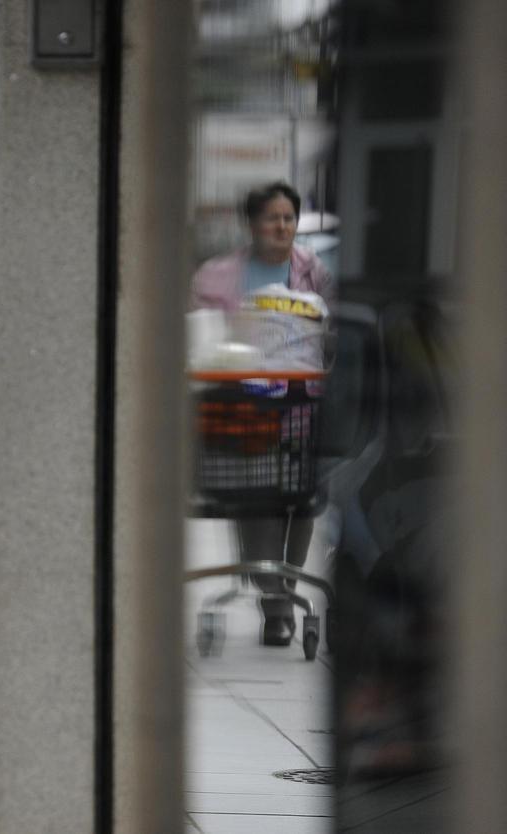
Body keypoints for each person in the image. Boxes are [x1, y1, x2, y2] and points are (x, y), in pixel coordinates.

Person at [190, 181, 335, 647]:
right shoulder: (216, 277)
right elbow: (200, 341)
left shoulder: (314, 273)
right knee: (256, 497)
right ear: (251, 224)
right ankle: (276, 600)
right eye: (272, 218)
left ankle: (280, 597)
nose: (282, 226)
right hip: (243, 414)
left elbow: (333, 334)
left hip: (300, 411)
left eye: (289, 218)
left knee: (301, 500)